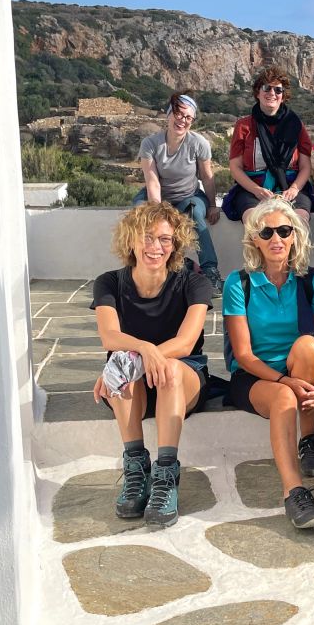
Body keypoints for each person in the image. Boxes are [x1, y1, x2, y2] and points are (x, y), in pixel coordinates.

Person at [91, 202, 214, 528]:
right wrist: (142, 351)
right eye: (146, 237)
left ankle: (165, 477)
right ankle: (135, 469)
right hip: (132, 387)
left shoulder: (193, 283)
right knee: (123, 368)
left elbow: (186, 343)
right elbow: (109, 337)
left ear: (175, 244)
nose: (155, 247)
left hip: (181, 379)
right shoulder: (109, 283)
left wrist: (141, 357)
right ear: (130, 239)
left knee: (166, 368)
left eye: (165, 239)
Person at [223, 198, 314, 529]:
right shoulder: (239, 282)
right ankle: (294, 491)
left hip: (296, 369)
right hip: (253, 376)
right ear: (255, 240)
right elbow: (243, 355)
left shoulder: (309, 280)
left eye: (284, 231)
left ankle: (309, 439)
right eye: (266, 232)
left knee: (309, 346)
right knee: (285, 395)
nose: (276, 239)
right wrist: (284, 381)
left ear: (294, 236)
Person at [133, 92, 223, 294]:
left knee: (196, 217)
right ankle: (145, 271)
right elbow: (152, 181)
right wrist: (158, 212)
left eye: (188, 117)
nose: (182, 120)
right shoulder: (150, 144)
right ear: (169, 114)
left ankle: (210, 271)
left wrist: (212, 205)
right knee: (139, 217)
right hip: (157, 196)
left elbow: (207, 177)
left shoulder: (199, 143)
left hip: (188, 195)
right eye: (179, 114)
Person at [226, 66, 314, 224]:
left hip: (290, 186)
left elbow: (305, 166)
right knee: (254, 221)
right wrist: (256, 190)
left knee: (300, 220)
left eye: (278, 90)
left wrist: (294, 189)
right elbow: (235, 167)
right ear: (258, 92)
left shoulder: (296, 126)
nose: (272, 93)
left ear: (283, 95)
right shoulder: (244, 126)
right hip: (252, 188)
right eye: (267, 88)